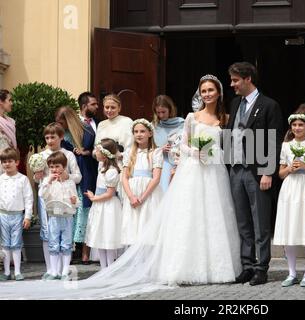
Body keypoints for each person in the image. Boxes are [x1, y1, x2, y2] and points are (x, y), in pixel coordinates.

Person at [0, 75, 241, 299]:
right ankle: (187, 266)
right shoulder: (191, 117)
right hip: (193, 169)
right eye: (204, 91)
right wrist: (194, 151)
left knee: (213, 216)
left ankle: (216, 267)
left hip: (213, 171)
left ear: (218, 93)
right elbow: (184, 145)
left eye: (211, 90)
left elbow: (226, 147)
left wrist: (211, 154)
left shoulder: (225, 119)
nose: (207, 94)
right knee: (188, 217)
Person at [226, 62, 284, 286]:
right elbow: (231, 132)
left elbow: (273, 139)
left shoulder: (269, 105)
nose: (232, 85)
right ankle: (247, 266)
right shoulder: (234, 103)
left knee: (260, 222)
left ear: (248, 78)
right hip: (236, 169)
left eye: (235, 80)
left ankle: (262, 268)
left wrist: (268, 172)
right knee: (243, 222)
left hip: (257, 172)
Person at [273, 112, 305, 288]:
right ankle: (292, 272)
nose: (297, 128)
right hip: (290, 187)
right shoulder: (286, 146)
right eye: (294, 125)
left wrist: (304, 166)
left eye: (300, 125)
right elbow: (280, 173)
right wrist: (289, 169)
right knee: (290, 228)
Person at [33, 123, 82, 279]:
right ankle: (50, 269)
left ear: (61, 137)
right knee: (47, 232)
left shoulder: (68, 155)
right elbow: (37, 179)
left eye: (53, 137)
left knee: (63, 234)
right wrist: (38, 176)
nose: (49, 140)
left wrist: (67, 177)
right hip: (48, 197)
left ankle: (63, 269)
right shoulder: (41, 156)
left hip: (64, 198)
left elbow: (78, 176)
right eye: (47, 137)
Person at [55, 106, 98, 265]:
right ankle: (71, 250)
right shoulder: (62, 134)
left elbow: (86, 146)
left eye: (62, 122)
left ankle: (86, 251)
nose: (60, 125)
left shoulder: (85, 130)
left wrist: (78, 150)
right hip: (69, 173)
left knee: (85, 210)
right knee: (70, 212)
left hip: (85, 172)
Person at [121, 119, 163, 246]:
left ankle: (147, 261)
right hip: (132, 193)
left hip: (149, 194)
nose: (139, 134)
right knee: (133, 226)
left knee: (147, 223)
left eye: (142, 131)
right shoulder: (129, 152)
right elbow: (124, 178)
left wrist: (142, 198)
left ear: (150, 133)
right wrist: (131, 197)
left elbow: (156, 178)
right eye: (136, 131)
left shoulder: (156, 152)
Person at [39, 152, 80, 280]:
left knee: (66, 244)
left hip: (67, 216)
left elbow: (77, 201)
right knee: (53, 243)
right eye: (51, 167)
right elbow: (42, 195)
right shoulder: (47, 181)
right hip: (53, 217)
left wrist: (74, 201)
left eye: (57, 166)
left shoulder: (70, 182)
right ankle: (54, 272)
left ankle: (64, 271)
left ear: (64, 166)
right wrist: (49, 182)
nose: (54, 169)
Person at [84, 139, 123, 269]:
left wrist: (94, 198)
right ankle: (103, 267)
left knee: (108, 236)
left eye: (98, 150)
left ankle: (110, 267)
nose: (95, 152)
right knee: (99, 236)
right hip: (100, 206)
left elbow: (110, 193)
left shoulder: (111, 171)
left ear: (105, 154)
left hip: (108, 206)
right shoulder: (101, 167)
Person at [0, 148, 33, 281]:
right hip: (3, 215)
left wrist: (27, 217)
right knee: (5, 244)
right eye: (3, 162)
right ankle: (7, 271)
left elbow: (29, 198)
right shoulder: (1, 179)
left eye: (10, 161)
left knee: (16, 244)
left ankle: (18, 271)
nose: (7, 164)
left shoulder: (23, 179)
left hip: (17, 215)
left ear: (17, 162)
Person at [152, 95, 184, 191]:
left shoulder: (182, 124)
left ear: (170, 109)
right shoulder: (153, 126)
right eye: (158, 112)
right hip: (159, 163)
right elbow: (148, 148)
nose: (161, 115)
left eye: (163, 112)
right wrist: (160, 149)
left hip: (177, 162)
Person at [0, 90, 16, 175]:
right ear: (1, 102)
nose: (11, 103)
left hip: (11, 160)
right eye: (9, 100)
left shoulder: (11, 121)